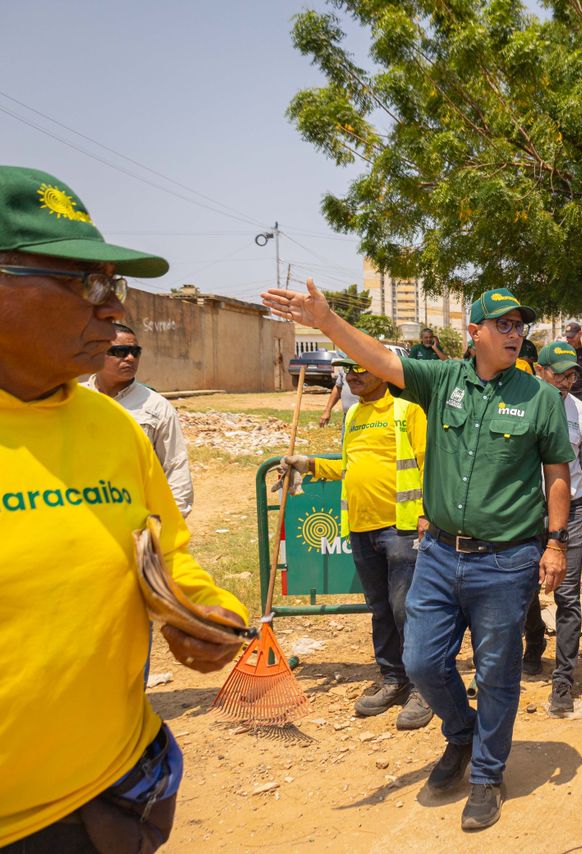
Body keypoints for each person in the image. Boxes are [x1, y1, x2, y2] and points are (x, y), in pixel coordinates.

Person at [262, 282, 574, 832]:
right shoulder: (442, 379)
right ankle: (461, 733)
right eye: (501, 324)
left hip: (506, 562)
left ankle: (486, 772)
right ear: (473, 332)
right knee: (421, 662)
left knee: (498, 672)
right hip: (437, 554)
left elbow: (556, 474)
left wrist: (554, 542)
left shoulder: (540, 398)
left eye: (518, 324)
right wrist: (327, 319)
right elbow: (377, 358)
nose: (514, 332)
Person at [0, 165, 249, 850]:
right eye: (86, 284)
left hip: (118, 793)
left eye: (114, 284)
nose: (114, 310)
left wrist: (205, 613)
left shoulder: (112, 426)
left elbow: (168, 556)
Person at [278, 358, 432, 730]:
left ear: (384, 371)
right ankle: (393, 679)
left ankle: (424, 688)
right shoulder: (352, 417)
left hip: (402, 527)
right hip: (361, 529)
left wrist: (428, 514)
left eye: (361, 368)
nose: (353, 376)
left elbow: (430, 465)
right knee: (380, 609)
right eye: (348, 370)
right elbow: (349, 467)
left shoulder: (406, 411)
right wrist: (309, 464)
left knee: (405, 608)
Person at [523, 340, 582, 717]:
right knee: (520, 590)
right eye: (558, 374)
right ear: (540, 371)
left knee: (567, 594)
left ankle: (564, 678)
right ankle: (533, 642)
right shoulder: (521, 405)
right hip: (524, 512)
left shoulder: (581, 413)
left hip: (571, 511)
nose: (565, 382)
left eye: (571, 375)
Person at [83, 322, 195, 516]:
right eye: (120, 351)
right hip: (84, 517)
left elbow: (175, 465)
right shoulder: (74, 400)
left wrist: (171, 518)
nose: (130, 358)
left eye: (135, 352)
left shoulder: (155, 406)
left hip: (136, 517)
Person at [319, 362, 360, 428]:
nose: (349, 377)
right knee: (345, 438)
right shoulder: (344, 369)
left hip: (365, 416)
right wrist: (327, 410)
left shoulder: (370, 369)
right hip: (347, 416)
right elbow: (338, 387)